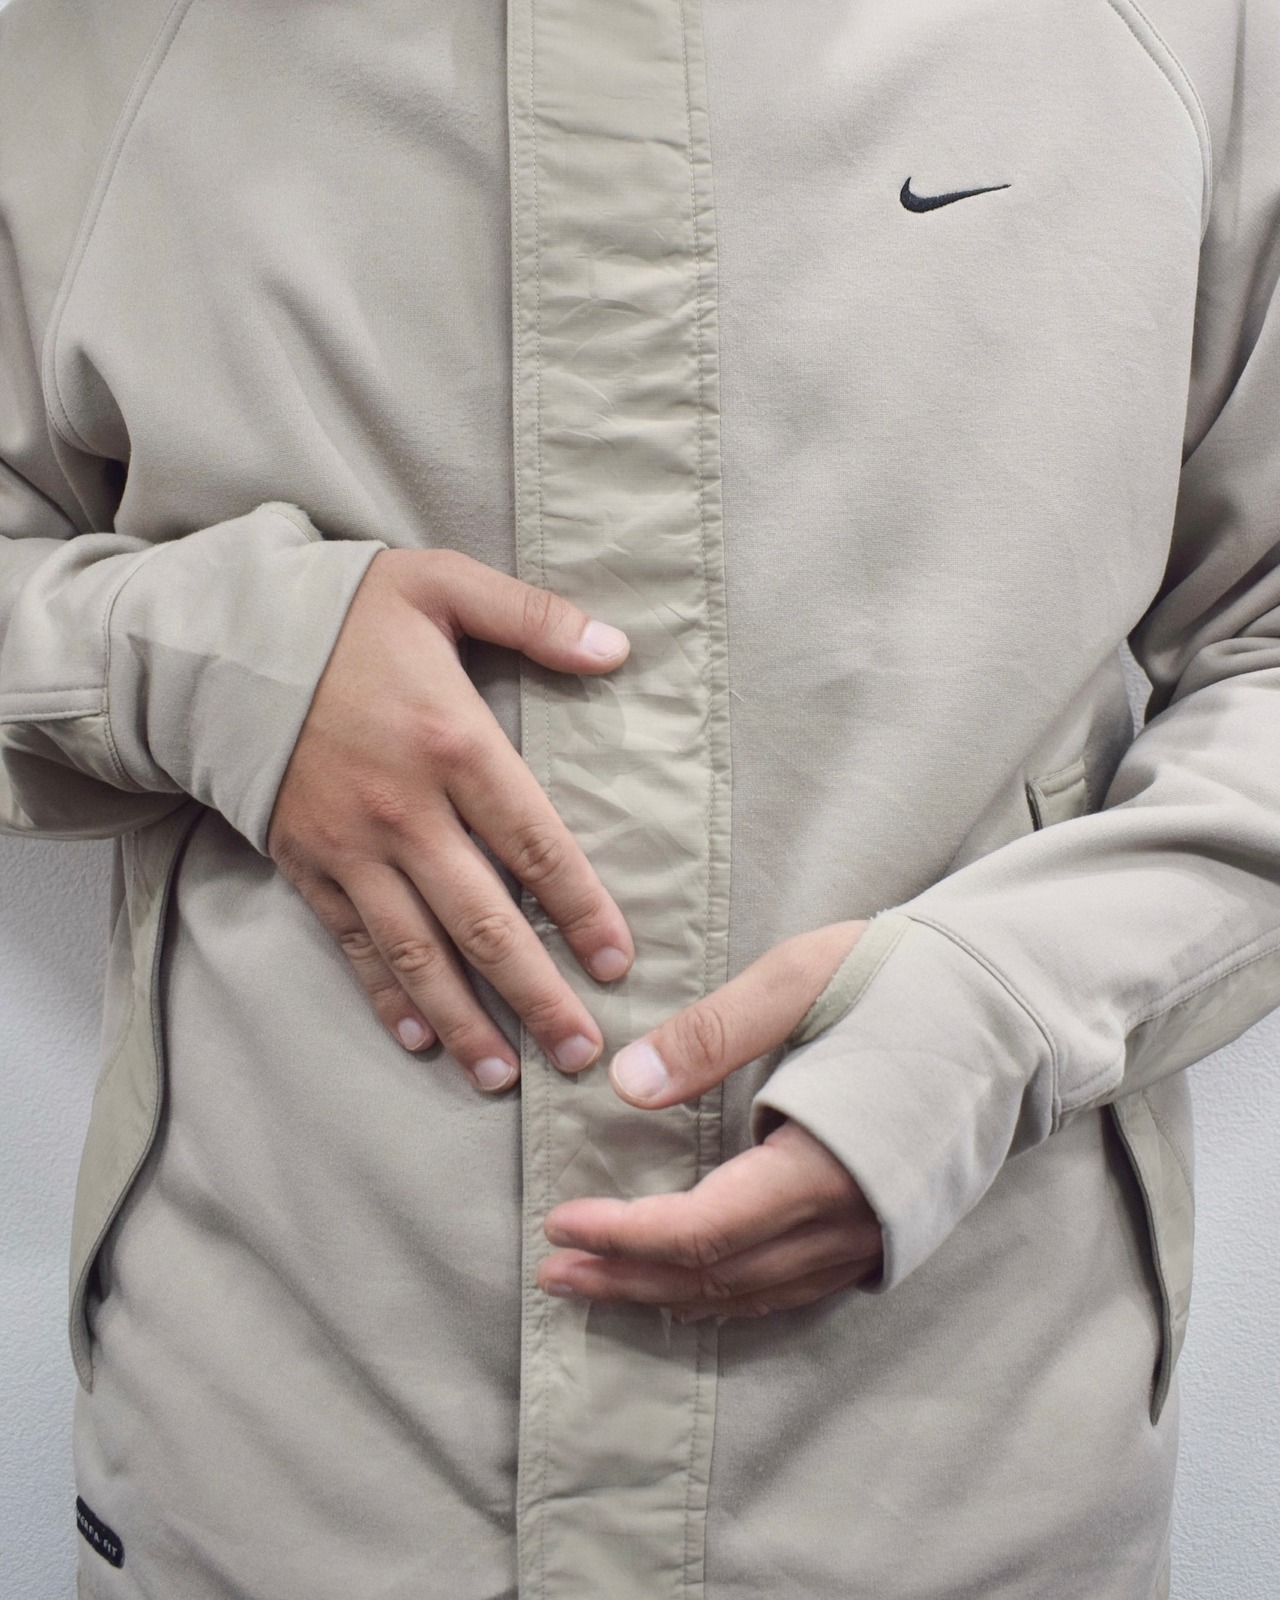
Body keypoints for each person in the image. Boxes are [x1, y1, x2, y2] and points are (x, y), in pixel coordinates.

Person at [2, 0, 1277, 1595]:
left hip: (951, 1458)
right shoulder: (88, 42)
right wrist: (200, 658)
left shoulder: (1184, 30)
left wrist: (1005, 1013)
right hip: (297, 1454)